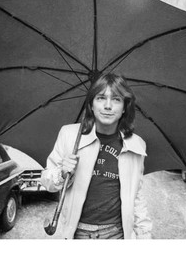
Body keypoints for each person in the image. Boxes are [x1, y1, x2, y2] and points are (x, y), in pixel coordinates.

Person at [41, 73, 152, 239]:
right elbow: (47, 182)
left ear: (124, 108)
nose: (108, 106)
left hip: (116, 234)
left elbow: (136, 196)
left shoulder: (136, 145)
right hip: (77, 232)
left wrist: (144, 235)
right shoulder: (69, 135)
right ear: (91, 104)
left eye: (116, 99)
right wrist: (62, 173)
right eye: (100, 98)